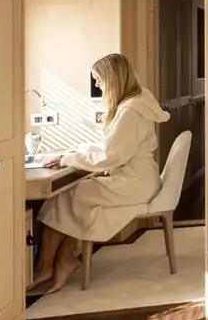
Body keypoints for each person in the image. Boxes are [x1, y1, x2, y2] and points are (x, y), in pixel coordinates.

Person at [31, 53, 170, 294]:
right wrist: (75, 152)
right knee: (77, 197)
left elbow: (111, 156)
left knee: (62, 198)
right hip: (141, 179)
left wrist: (67, 158)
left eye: (99, 80)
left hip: (133, 183)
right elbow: (114, 147)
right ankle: (65, 259)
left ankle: (45, 267)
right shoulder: (138, 102)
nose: (97, 85)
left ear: (112, 80)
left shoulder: (130, 112)